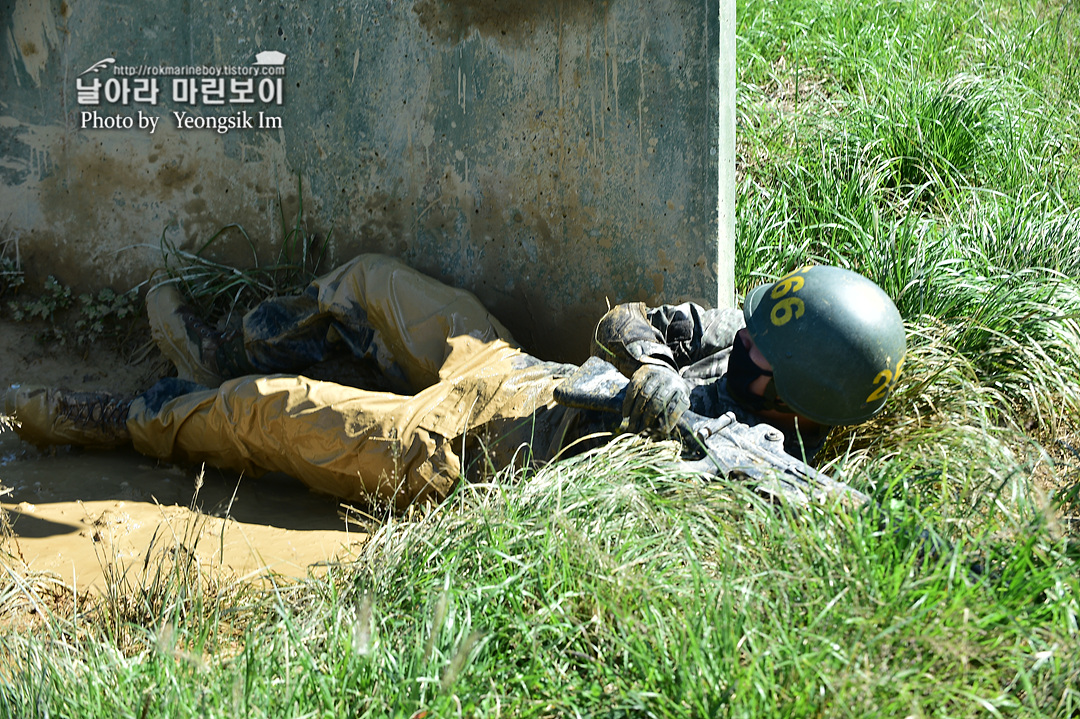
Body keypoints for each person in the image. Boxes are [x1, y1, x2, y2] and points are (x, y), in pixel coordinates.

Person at [2, 255, 906, 511]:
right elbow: (623, 322)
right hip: (512, 371)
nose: (742, 334)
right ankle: (227, 353)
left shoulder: (756, 462)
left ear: (798, 394)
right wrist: (660, 369)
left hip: (453, 456)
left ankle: (111, 422)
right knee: (367, 281)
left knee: (259, 417)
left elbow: (816, 500)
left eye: (761, 346)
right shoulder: (739, 340)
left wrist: (678, 431)